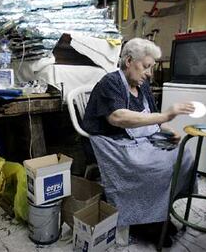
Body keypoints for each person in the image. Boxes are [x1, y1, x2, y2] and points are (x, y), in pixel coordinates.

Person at [82, 38, 196, 247]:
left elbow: (151, 116)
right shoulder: (110, 82)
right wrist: (165, 116)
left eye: (151, 68)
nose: (149, 73)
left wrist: (169, 130)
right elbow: (117, 117)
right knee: (155, 166)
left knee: (184, 156)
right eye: (146, 66)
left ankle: (156, 214)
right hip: (110, 141)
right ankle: (143, 220)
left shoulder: (141, 86)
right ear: (128, 61)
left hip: (136, 138)